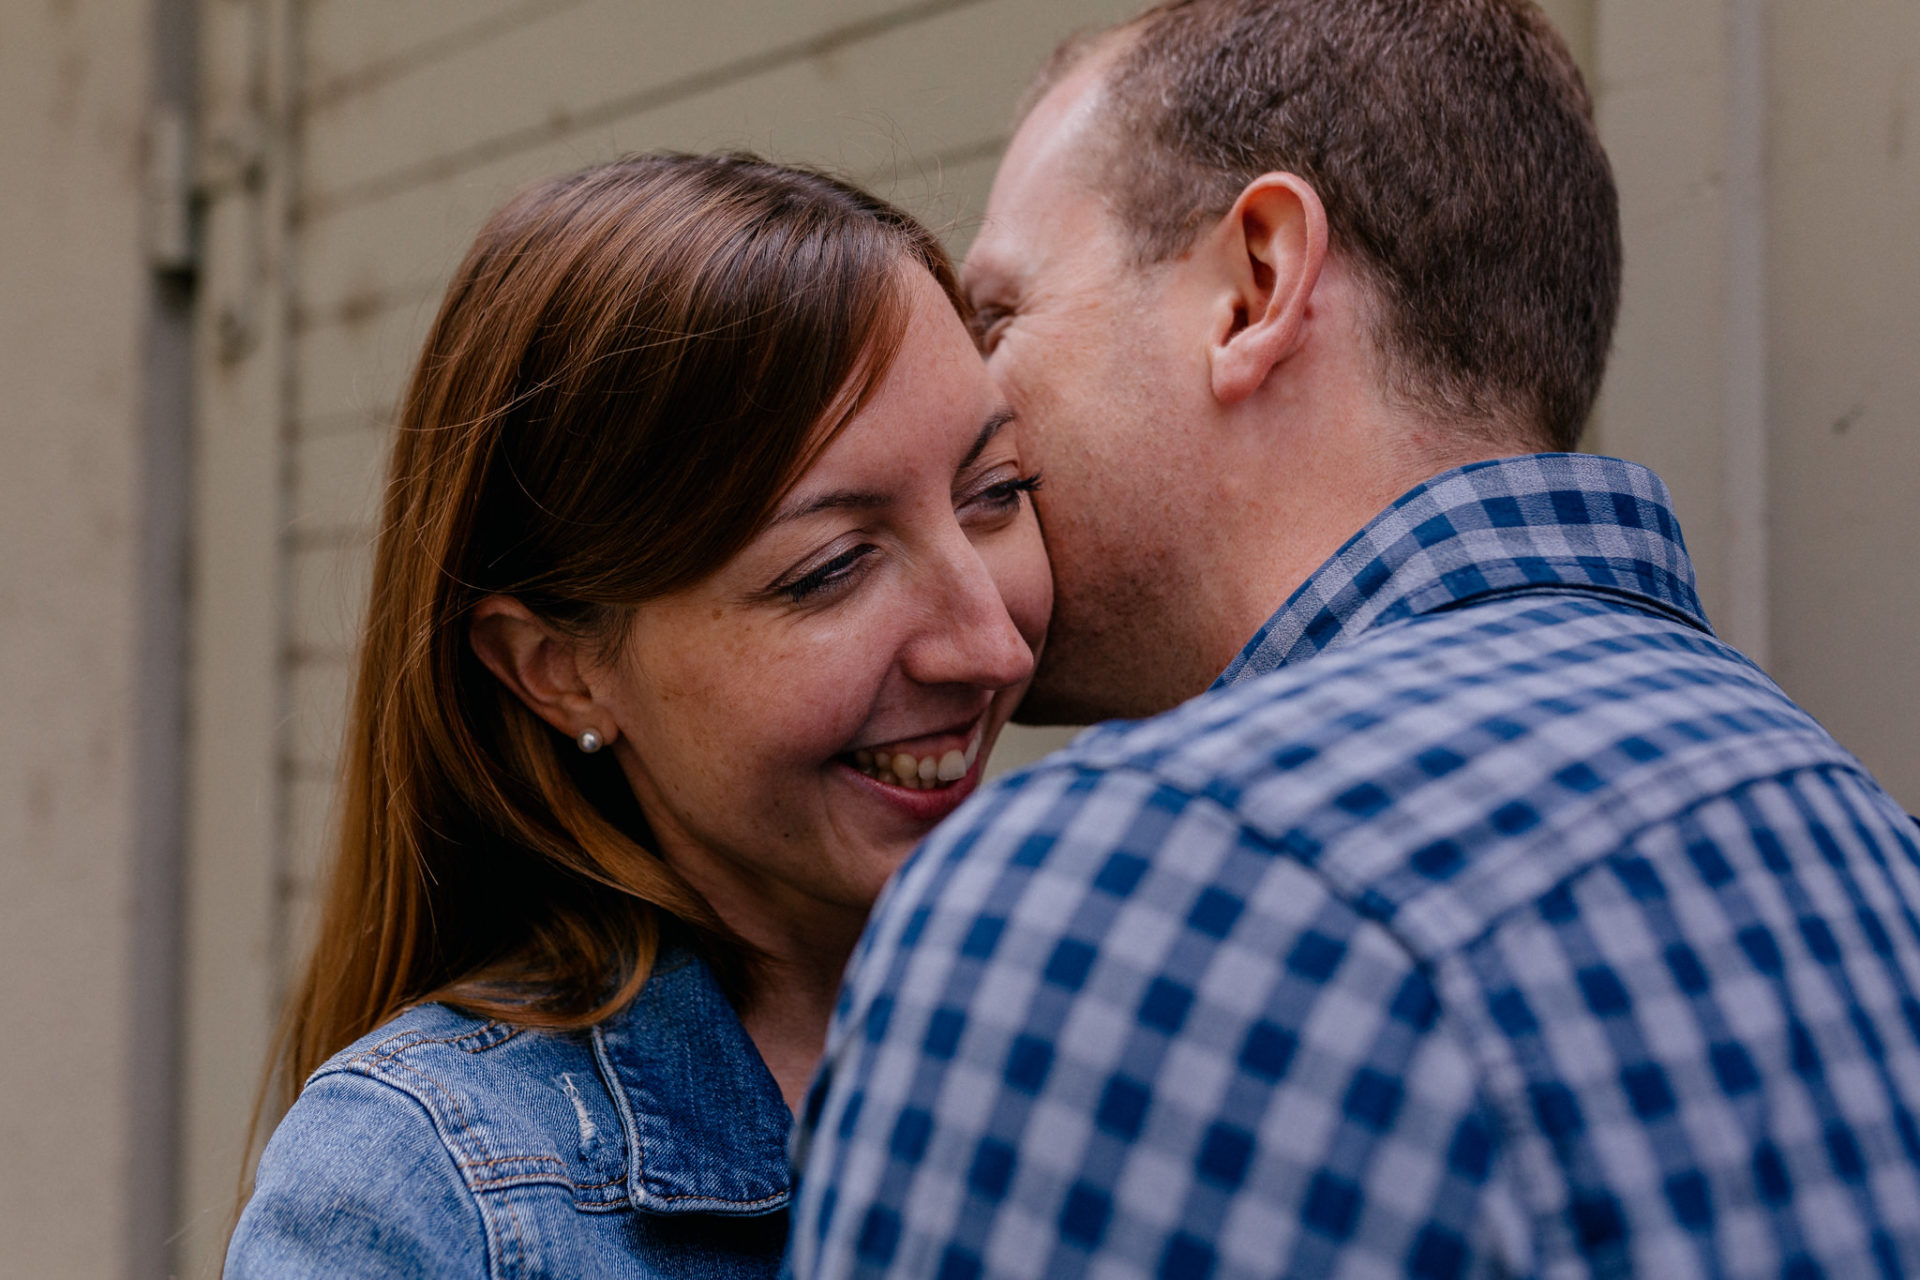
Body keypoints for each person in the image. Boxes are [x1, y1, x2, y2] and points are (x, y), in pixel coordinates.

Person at [787, 2, 1920, 1276]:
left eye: (1001, 311)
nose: (978, 392)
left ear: (1254, 285)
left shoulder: (1117, 889)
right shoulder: (1863, 840)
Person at [225, 152, 1050, 1277]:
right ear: (557, 667)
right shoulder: (428, 1192)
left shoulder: (1113, 1037)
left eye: (996, 492)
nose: (994, 646)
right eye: (829, 567)